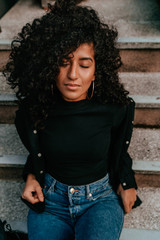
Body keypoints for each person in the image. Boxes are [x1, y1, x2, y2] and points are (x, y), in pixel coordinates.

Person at [4, 0, 141, 239]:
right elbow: (38, 152)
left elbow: (119, 151)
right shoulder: (34, 110)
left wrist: (128, 182)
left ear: (97, 69)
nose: (73, 75)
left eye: (84, 64)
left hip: (100, 201)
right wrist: (31, 176)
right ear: (47, 66)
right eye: (63, 62)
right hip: (51, 202)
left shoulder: (115, 108)